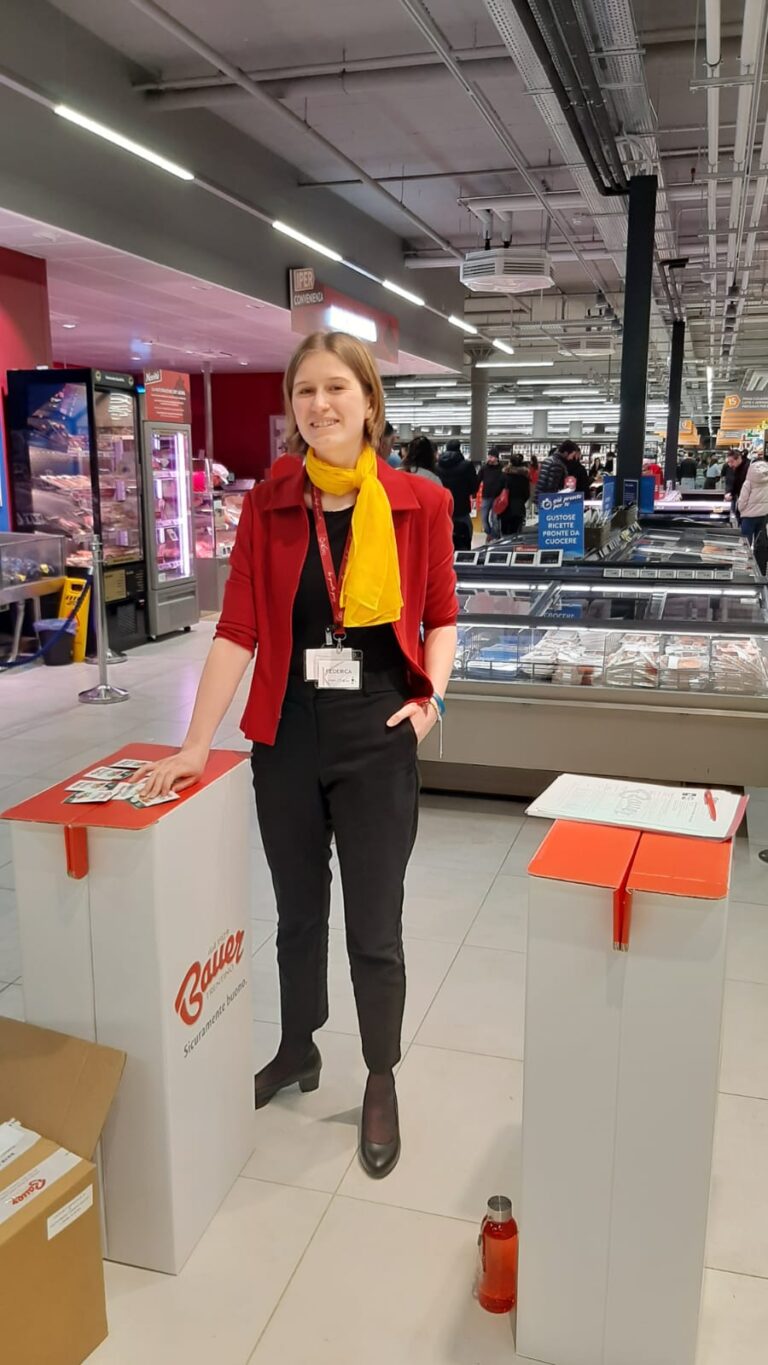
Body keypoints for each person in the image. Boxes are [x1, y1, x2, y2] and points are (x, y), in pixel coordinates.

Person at [134, 330, 458, 1181]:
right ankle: (296, 1045)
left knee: (374, 922)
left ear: (369, 401)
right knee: (296, 912)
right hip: (286, 734)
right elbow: (238, 627)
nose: (320, 405)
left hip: (378, 732)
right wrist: (197, 741)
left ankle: (380, 1074)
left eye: (336, 388)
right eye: (305, 391)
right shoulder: (272, 502)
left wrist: (431, 703)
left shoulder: (420, 503)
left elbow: (442, 616)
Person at [437, 439, 479, 550]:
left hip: (443, 509)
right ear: (459, 448)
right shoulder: (467, 466)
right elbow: (474, 487)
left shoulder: (437, 466)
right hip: (461, 508)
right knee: (465, 538)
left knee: (443, 542)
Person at [737, 455, 768, 545]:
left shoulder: (748, 482)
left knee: (745, 542)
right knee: (760, 541)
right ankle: (758, 554)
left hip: (748, 516)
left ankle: (746, 554)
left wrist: (741, 510)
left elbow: (742, 500)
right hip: (763, 514)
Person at [498, 454, 530, 537]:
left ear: (510, 463)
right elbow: (527, 494)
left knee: (505, 532)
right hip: (519, 508)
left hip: (505, 508)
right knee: (516, 533)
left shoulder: (504, 476)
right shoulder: (524, 478)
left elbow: (498, 491)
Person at [477, 447, 506, 541]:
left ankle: (495, 537)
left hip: (498, 497)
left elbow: (506, 482)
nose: (489, 458)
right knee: (483, 519)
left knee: (494, 519)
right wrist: (473, 493)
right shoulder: (484, 468)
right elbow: (478, 480)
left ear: (497, 458)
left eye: (491, 456)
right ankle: (489, 533)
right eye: (488, 456)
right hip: (486, 496)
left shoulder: (502, 469)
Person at [725, 449, 750, 523]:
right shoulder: (735, 468)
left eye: (732, 461)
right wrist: (730, 493)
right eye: (728, 462)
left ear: (739, 458)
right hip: (741, 500)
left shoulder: (749, 467)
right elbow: (733, 482)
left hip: (749, 504)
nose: (730, 464)